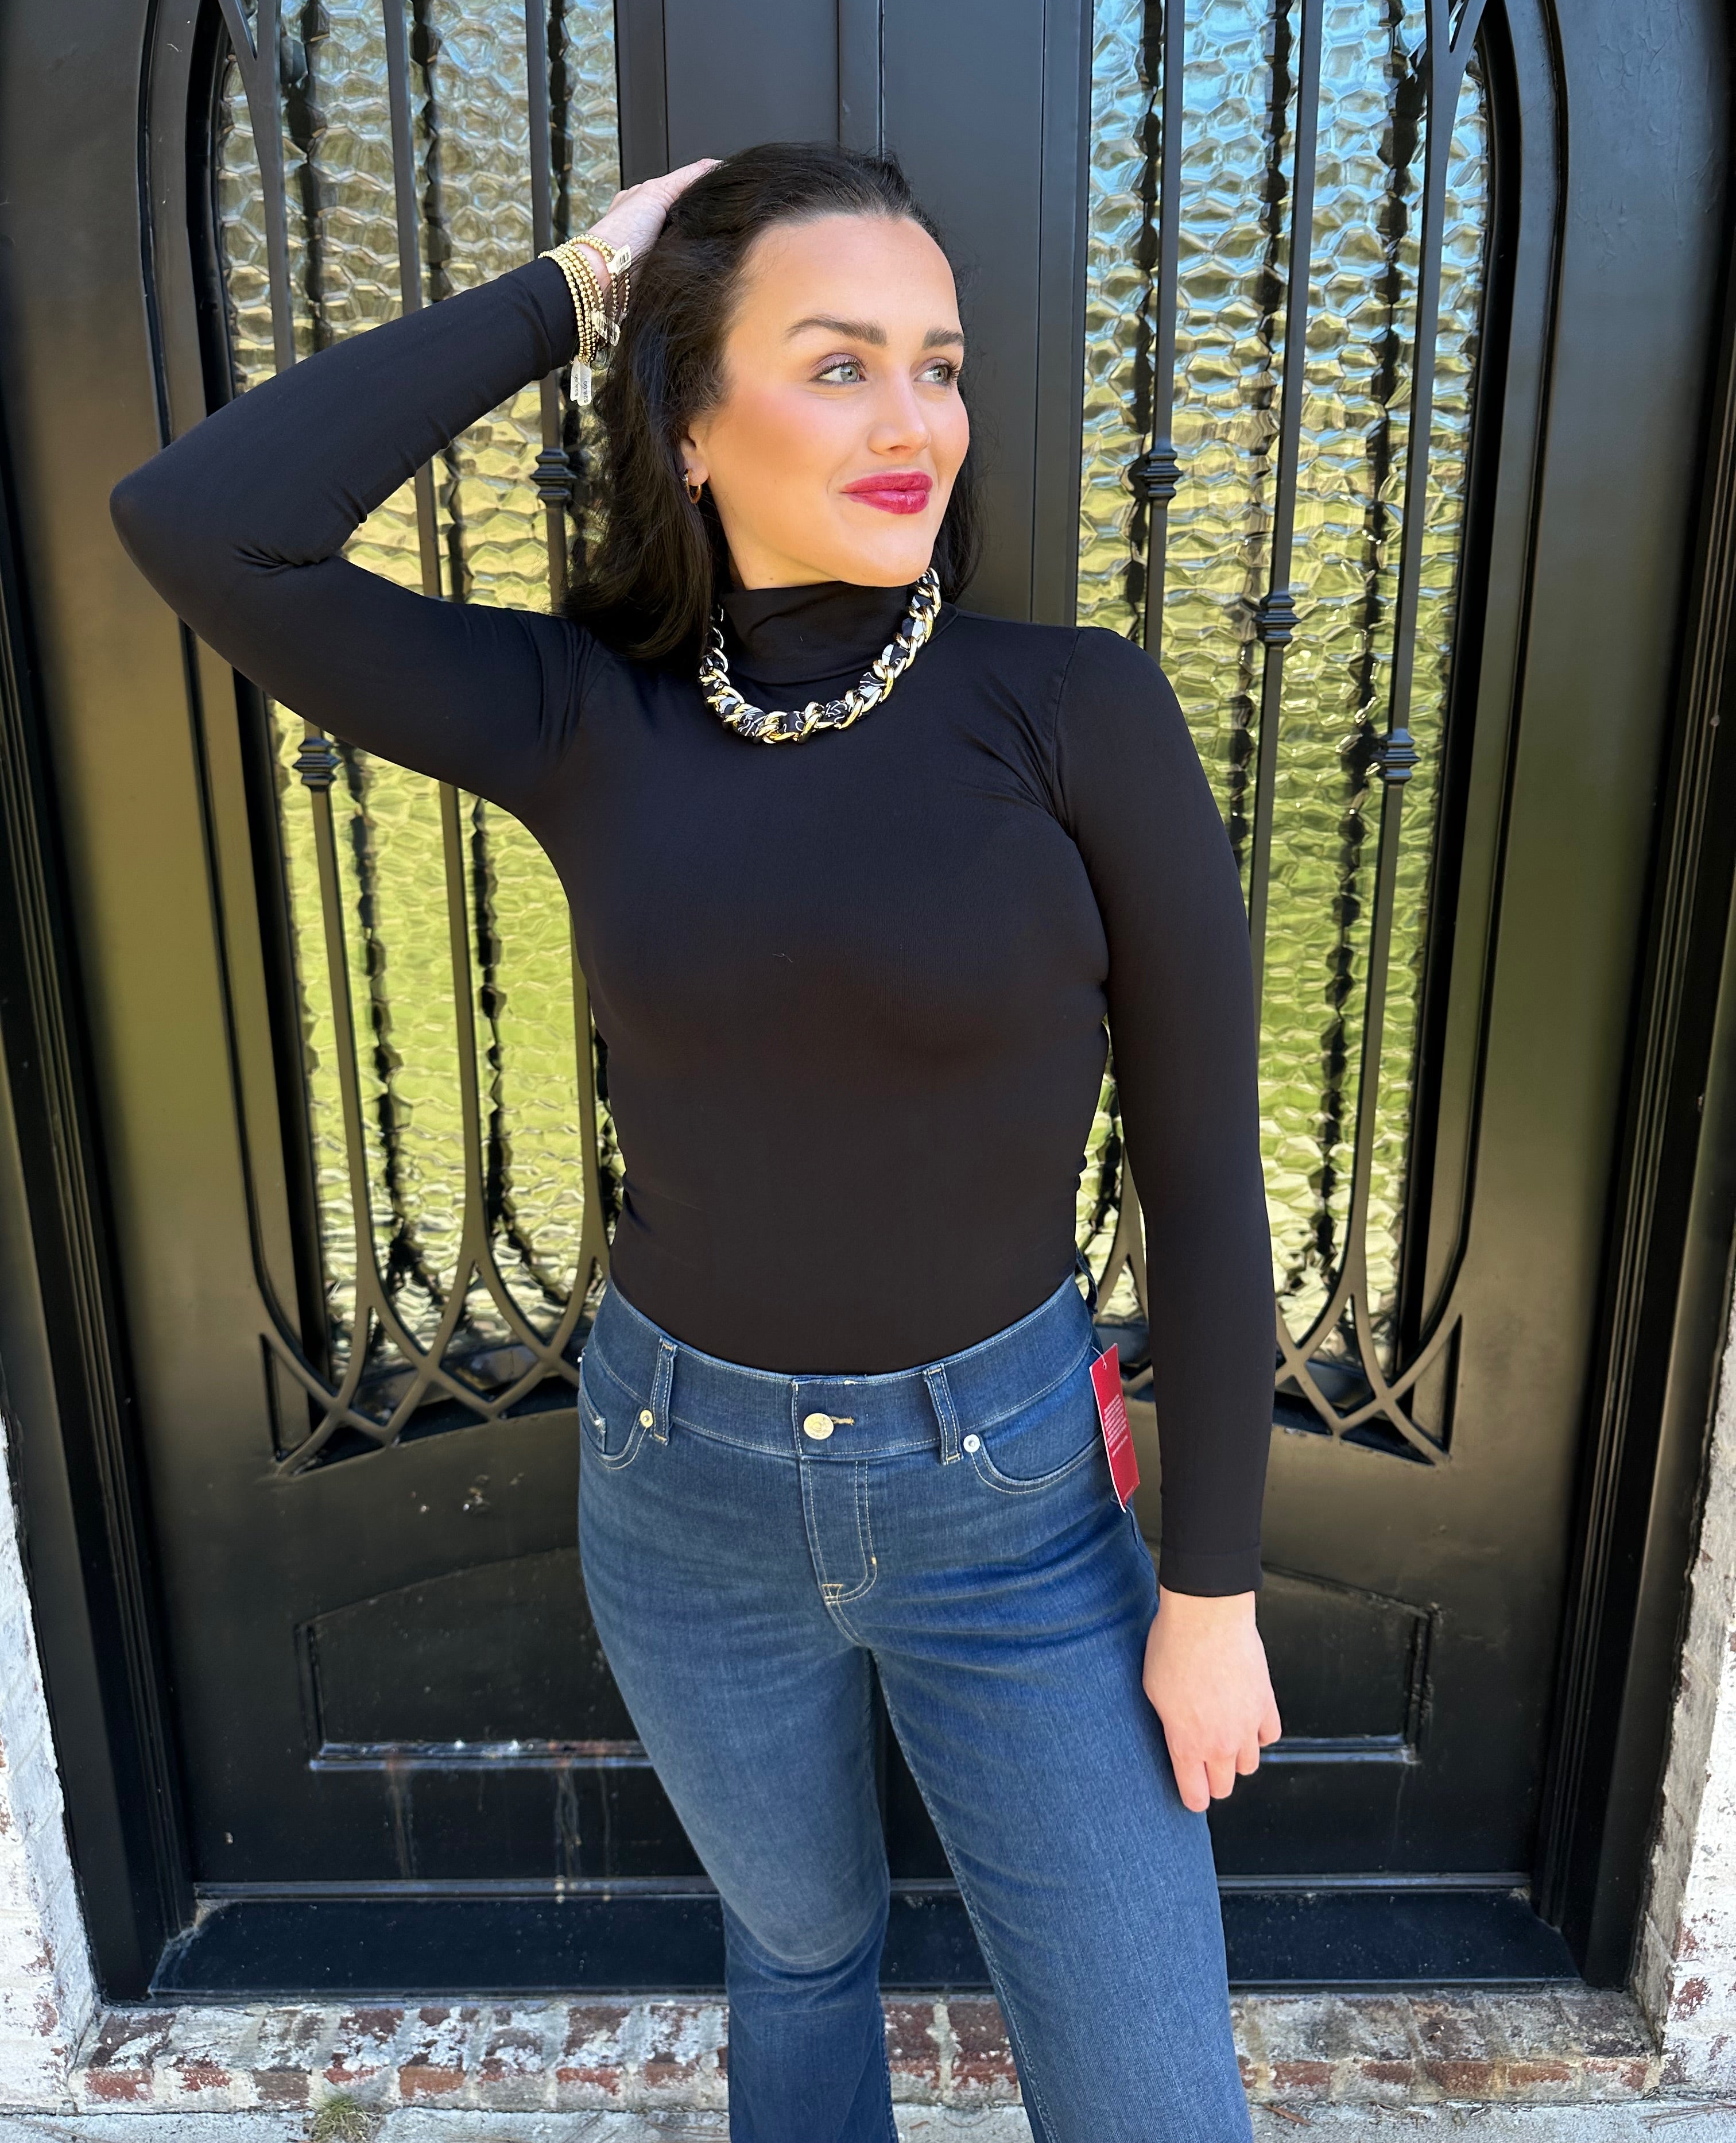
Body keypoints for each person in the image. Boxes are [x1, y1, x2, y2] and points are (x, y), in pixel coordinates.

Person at [111, 141, 1280, 2143]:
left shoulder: (1073, 711)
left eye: (937, 363)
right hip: (682, 1488)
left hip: (1009, 1508)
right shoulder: (590, 716)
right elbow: (204, 528)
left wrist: (1215, 1592)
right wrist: (572, 291)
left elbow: (1204, 1170)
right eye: (836, 365)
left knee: (1154, 2099)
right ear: (687, 425)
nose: (913, 420)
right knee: (800, 1953)